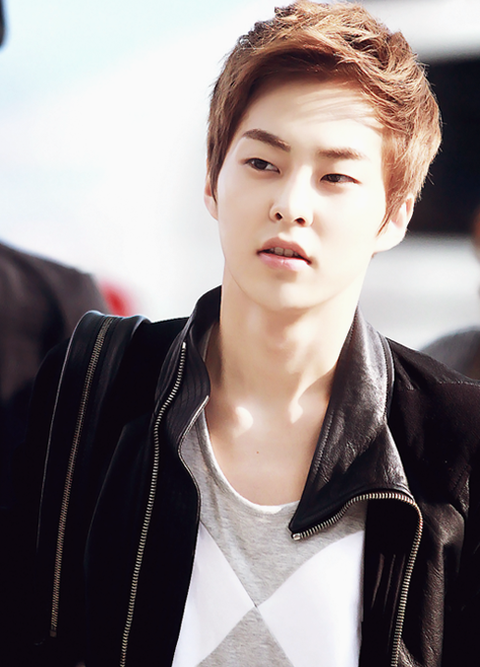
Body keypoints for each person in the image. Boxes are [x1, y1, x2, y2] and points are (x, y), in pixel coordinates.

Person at [20, 2, 480, 666]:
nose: (291, 205)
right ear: (213, 178)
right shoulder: (100, 383)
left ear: (395, 215)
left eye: (335, 177)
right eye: (263, 163)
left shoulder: (453, 441)